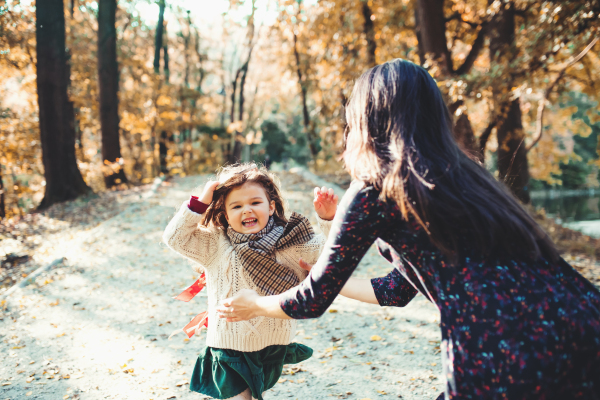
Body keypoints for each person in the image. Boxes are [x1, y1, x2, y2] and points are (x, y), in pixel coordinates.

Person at [216, 60, 600, 399]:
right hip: (584, 323)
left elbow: (312, 302)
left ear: (365, 120)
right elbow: (397, 290)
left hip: (501, 344)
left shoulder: (374, 190)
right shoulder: (468, 179)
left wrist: (256, 304)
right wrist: (313, 274)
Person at [162, 163, 338, 400]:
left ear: (271, 206)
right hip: (228, 344)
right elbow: (174, 238)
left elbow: (333, 252)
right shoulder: (216, 244)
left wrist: (328, 218)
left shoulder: (290, 241)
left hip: (273, 343)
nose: (247, 210)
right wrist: (199, 203)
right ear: (225, 214)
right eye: (236, 206)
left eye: (255, 203)